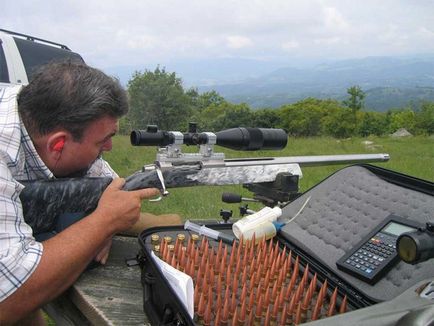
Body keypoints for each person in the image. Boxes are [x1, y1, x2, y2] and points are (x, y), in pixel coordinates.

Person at [0, 61, 180, 324]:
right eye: (100, 141)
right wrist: (102, 224)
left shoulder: (34, 111)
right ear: (58, 144)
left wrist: (106, 216)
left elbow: (109, 189)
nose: (108, 147)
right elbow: (7, 299)